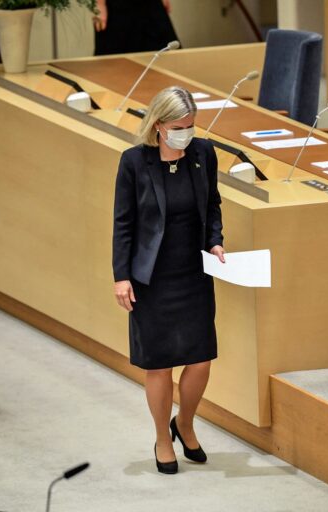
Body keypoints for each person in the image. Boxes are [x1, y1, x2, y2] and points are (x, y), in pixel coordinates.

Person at [112, 86, 224, 474]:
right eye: (179, 128)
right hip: (151, 279)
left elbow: (212, 205)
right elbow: (123, 223)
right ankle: (163, 437)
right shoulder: (134, 162)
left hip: (193, 274)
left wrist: (215, 241)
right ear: (158, 125)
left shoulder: (204, 154)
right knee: (159, 365)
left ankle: (185, 423)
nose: (186, 134)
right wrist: (121, 276)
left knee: (201, 360)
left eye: (191, 126)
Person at [93, 0, 178, 56]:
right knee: (114, 64)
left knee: (167, 57)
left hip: (150, 6)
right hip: (117, 8)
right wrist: (99, 3)